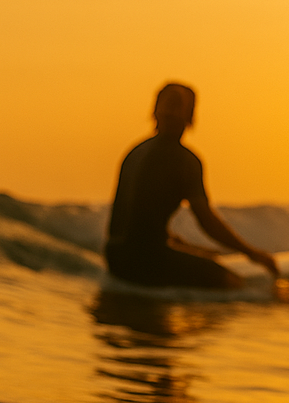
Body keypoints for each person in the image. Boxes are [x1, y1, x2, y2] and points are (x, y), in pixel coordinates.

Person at [105, 83, 279, 289]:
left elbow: (136, 216)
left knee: (201, 263)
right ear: (190, 116)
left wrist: (179, 244)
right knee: (238, 286)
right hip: (146, 264)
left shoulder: (135, 151)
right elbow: (206, 220)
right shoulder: (185, 160)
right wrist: (253, 253)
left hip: (115, 258)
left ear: (154, 112)